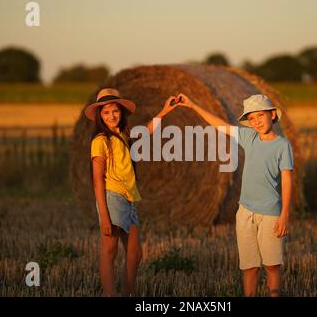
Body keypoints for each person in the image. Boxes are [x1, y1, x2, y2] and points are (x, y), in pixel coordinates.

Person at [176, 93, 293, 297]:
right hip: (245, 212)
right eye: (251, 118)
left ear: (272, 115)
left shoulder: (282, 146)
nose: (256, 121)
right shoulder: (249, 137)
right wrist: (193, 105)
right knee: (249, 267)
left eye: (260, 116)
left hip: (271, 214)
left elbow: (287, 180)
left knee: (272, 265)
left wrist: (284, 215)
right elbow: (220, 125)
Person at [85, 88, 179, 296]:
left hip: (129, 198)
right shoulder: (100, 141)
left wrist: (164, 112)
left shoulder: (124, 135)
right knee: (109, 251)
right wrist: (104, 218)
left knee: (135, 254)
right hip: (112, 198)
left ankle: (128, 292)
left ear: (122, 113)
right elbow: (97, 181)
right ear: (100, 115)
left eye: (115, 111)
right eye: (106, 112)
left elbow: (148, 131)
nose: (112, 116)